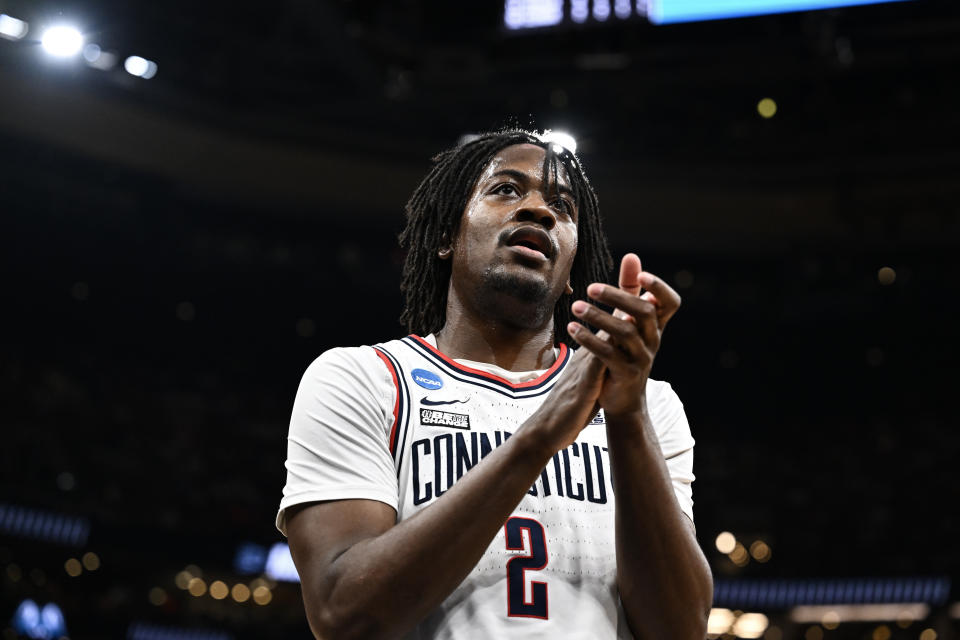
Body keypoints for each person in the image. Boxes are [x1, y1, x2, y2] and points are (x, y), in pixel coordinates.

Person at [276, 130, 713, 639]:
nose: (540, 211)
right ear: (446, 236)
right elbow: (343, 616)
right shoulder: (363, 379)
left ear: (571, 267)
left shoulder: (648, 405)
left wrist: (627, 417)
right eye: (506, 189)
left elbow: (680, 630)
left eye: (562, 206)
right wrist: (540, 435)